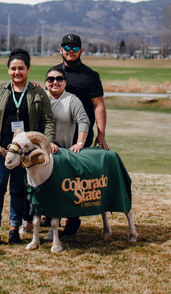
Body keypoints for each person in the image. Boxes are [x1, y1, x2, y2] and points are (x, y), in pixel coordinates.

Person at [0, 49, 56, 246]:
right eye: (13, 68)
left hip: (25, 154)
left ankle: (14, 230)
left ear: (28, 69)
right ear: (8, 70)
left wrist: (47, 143)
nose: (17, 72)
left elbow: (48, 121)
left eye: (21, 68)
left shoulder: (38, 93)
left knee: (19, 190)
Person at [55, 33, 109, 236]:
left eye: (74, 48)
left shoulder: (90, 75)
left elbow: (99, 105)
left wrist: (101, 134)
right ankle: (52, 216)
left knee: (74, 178)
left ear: (81, 51)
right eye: (66, 48)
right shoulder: (54, 73)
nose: (70, 51)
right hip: (57, 135)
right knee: (55, 174)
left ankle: (73, 219)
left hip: (81, 136)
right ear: (60, 50)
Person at [42, 65, 90, 240]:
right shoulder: (40, 98)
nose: (55, 82)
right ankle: (50, 221)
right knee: (47, 189)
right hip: (44, 153)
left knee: (67, 190)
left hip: (64, 153)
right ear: (45, 83)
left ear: (65, 82)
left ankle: (72, 222)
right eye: (50, 79)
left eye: (59, 79)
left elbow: (83, 121)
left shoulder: (72, 100)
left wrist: (79, 143)